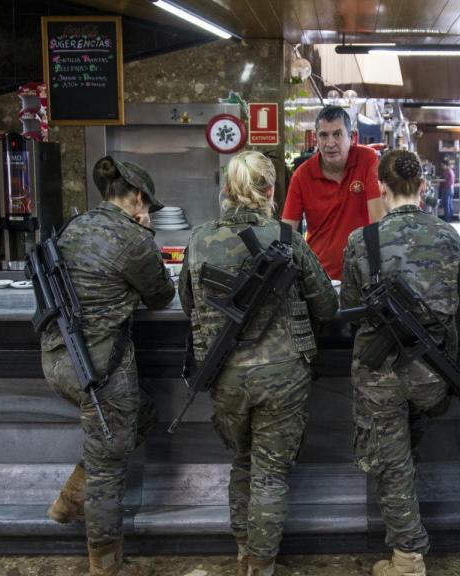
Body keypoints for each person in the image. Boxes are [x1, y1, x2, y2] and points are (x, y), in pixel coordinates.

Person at [178, 151, 337, 576]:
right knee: (270, 474)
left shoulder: (198, 239)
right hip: (283, 376)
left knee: (243, 463)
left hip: (225, 375)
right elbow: (326, 305)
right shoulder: (286, 239)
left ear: (227, 190)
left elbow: (187, 304)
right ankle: (261, 568)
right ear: (269, 191)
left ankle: (244, 553)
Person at [42, 156, 176, 576]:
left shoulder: (73, 226)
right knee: (107, 470)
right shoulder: (132, 238)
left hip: (58, 361)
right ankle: (107, 566)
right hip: (102, 368)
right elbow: (160, 295)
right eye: (149, 206)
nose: (149, 212)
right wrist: (147, 239)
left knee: (139, 420)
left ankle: (70, 499)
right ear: (137, 198)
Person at [341, 150, 460, 576]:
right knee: (406, 456)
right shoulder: (449, 236)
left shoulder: (363, 240)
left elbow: (348, 309)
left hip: (381, 378)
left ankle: (408, 558)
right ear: (423, 188)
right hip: (431, 374)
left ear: (381, 187)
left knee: (393, 465)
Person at [282, 105, 386, 279]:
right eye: (324, 135)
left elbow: (378, 222)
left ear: (352, 137)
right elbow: (287, 233)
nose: (330, 143)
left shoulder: (367, 159)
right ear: (316, 139)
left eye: (337, 134)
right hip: (319, 278)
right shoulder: (302, 175)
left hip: (363, 274)